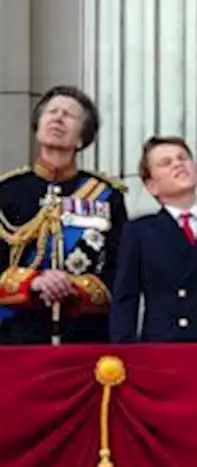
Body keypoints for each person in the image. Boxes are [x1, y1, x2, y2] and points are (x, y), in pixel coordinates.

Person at [0, 86, 128, 345]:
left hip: (85, 334)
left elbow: (120, 269)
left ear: (83, 137)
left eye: (69, 115)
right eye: (52, 112)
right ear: (38, 126)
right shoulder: (8, 191)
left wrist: (73, 285)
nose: (58, 118)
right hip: (16, 332)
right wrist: (33, 282)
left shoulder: (105, 195)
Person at [110, 136, 197, 343]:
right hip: (163, 350)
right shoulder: (139, 232)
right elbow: (125, 299)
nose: (178, 163)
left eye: (183, 158)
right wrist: (123, 354)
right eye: (165, 163)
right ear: (151, 185)